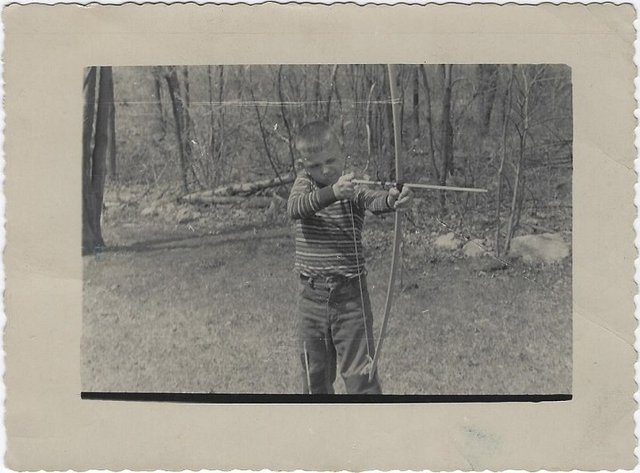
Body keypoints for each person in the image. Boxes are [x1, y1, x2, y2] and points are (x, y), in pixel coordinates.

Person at [287, 121, 412, 394]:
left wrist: (393, 200)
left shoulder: (351, 186)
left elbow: (374, 201)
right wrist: (332, 193)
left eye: (331, 160)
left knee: (360, 377)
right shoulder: (304, 185)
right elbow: (295, 208)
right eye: (315, 166)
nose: (325, 170)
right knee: (315, 376)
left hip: (350, 298)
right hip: (311, 297)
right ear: (303, 165)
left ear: (342, 151)